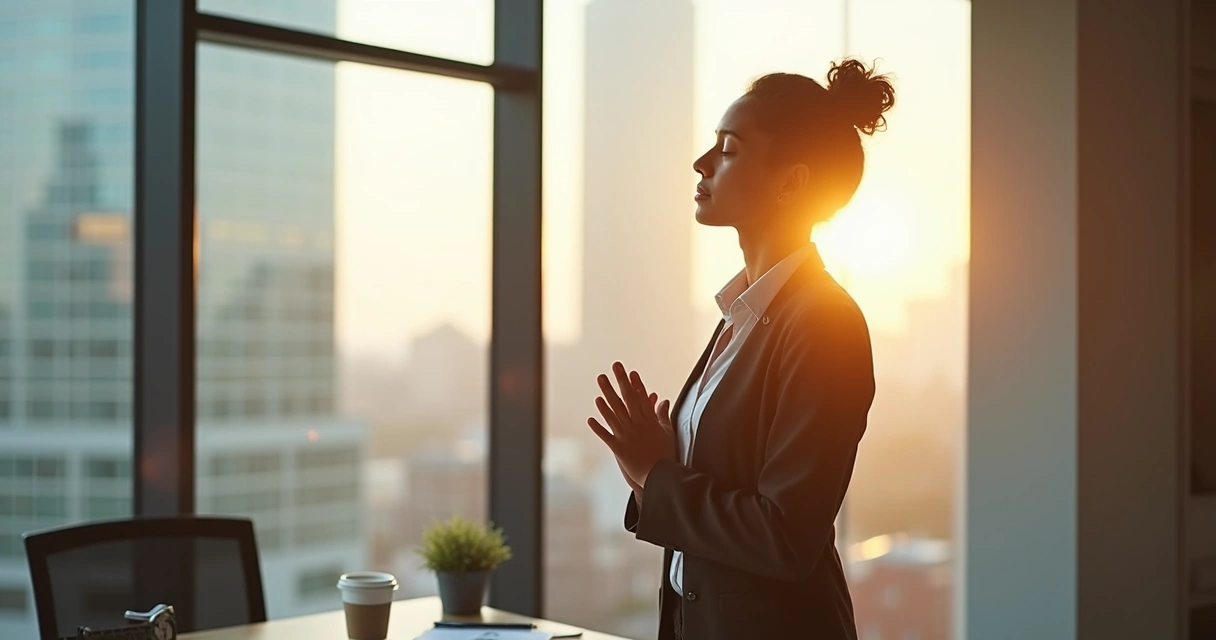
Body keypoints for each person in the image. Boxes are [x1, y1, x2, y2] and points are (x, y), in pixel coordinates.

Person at [585, 58, 893, 640]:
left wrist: (654, 475)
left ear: (790, 182)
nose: (701, 163)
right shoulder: (744, 315)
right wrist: (654, 465)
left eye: (728, 149)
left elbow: (784, 536)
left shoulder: (824, 322)